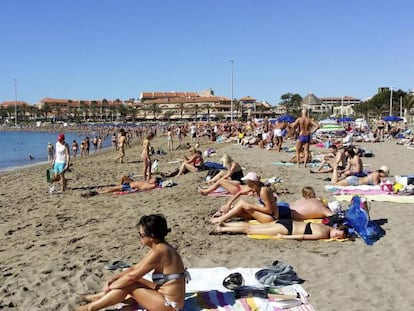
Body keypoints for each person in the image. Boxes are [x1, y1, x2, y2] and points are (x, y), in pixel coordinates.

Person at [75, 214, 188, 311]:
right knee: (126, 279)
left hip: (170, 306)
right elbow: (134, 269)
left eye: (141, 235)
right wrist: (114, 279)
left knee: (129, 284)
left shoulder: (159, 252)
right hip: (164, 295)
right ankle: (98, 297)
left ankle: (90, 308)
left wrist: (111, 287)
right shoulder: (161, 247)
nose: (140, 237)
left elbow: (132, 277)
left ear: (152, 237)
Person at [210, 172, 278, 224]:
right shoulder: (256, 187)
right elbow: (240, 193)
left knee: (242, 203)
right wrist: (229, 204)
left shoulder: (263, 191)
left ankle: (221, 219)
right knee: (236, 209)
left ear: (252, 183)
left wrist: (252, 206)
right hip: (265, 215)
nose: (246, 183)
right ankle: (224, 215)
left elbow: (269, 210)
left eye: (247, 181)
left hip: (271, 218)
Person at [212, 219, 348, 240]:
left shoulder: (325, 225)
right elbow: (302, 236)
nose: (336, 237)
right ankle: (222, 229)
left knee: (252, 226)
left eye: (338, 237)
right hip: (286, 229)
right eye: (338, 234)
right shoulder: (323, 233)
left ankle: (225, 225)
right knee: (250, 229)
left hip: (286, 222)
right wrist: (284, 237)